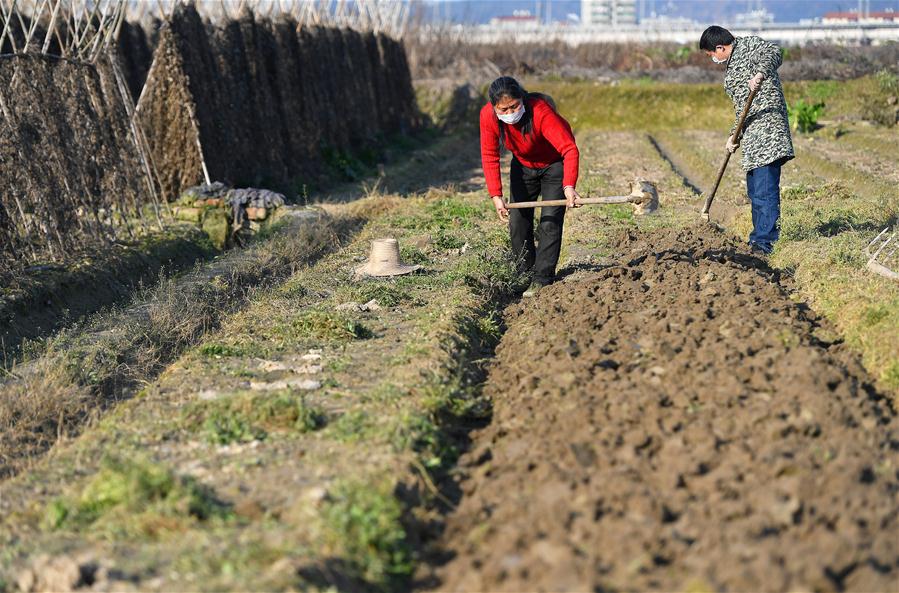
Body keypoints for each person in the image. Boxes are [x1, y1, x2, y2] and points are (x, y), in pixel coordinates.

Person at [480, 76, 581, 297]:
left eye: (514, 106)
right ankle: (524, 273)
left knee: (550, 221)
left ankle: (542, 278)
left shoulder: (541, 111)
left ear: (522, 99)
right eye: (503, 109)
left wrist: (568, 186)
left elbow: (569, 149)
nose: (509, 113)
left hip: (553, 165)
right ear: (494, 107)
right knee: (517, 221)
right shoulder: (488, 116)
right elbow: (489, 155)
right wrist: (496, 195)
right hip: (523, 165)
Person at [699, 25, 794, 255]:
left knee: (764, 189)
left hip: (768, 132)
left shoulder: (749, 46)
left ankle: (765, 242)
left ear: (720, 47)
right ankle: (758, 239)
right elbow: (742, 107)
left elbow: (774, 52)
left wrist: (760, 74)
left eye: (711, 53)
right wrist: (733, 136)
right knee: (755, 190)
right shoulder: (731, 68)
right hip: (752, 136)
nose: (712, 58)